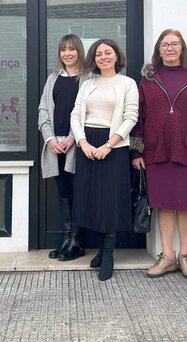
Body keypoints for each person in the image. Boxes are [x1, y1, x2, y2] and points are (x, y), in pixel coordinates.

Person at [130, 29, 187, 280]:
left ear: (182, 48)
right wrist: (137, 151)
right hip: (156, 152)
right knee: (163, 205)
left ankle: (184, 256)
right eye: (165, 44)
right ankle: (168, 256)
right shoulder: (148, 80)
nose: (170, 48)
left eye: (174, 44)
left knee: (185, 204)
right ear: (158, 50)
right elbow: (138, 117)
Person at [70, 38, 139, 281]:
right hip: (87, 144)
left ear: (116, 56)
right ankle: (100, 248)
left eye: (108, 52)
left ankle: (108, 252)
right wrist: (82, 142)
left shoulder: (127, 83)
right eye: (99, 54)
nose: (103, 57)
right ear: (94, 59)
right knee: (91, 199)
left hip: (114, 145)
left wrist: (109, 145)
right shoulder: (88, 84)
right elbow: (75, 114)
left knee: (110, 200)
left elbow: (131, 117)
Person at [38, 34, 92, 261]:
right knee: (63, 192)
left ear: (79, 51)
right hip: (55, 146)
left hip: (77, 144)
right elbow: (42, 110)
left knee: (78, 191)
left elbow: (88, 112)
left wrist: (72, 137)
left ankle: (77, 242)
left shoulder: (88, 78)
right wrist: (50, 139)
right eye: (63, 49)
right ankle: (67, 238)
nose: (67, 53)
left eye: (71, 49)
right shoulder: (53, 78)